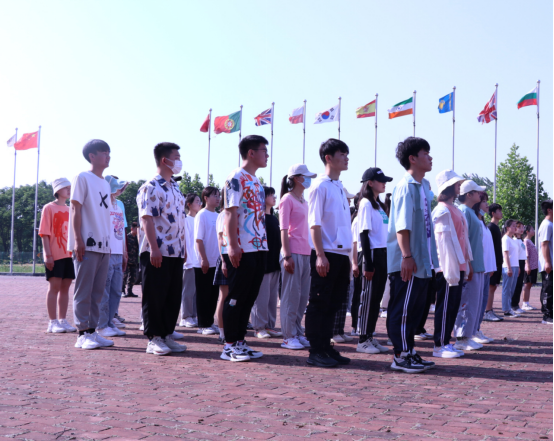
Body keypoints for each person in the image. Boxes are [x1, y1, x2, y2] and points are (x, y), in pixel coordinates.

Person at [387, 137, 438, 373]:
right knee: (403, 309)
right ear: (412, 158)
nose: (430, 157)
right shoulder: (405, 186)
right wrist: (406, 256)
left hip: (422, 261)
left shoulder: (423, 187)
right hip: (409, 261)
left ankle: (409, 351)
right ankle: (400, 355)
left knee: (415, 310)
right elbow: (402, 226)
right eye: (425, 153)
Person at [220, 135, 269, 362]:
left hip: (258, 247)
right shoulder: (236, 177)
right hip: (242, 248)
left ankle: (240, 341)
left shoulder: (256, 181)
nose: (267, 155)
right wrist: (232, 245)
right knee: (236, 297)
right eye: (263, 151)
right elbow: (230, 213)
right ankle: (229, 346)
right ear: (251, 152)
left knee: (249, 298)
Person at [305, 138, 353, 368]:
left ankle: (326, 346)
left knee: (334, 303)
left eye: (346, 154)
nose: (346, 158)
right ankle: (315, 350)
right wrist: (320, 254)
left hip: (342, 254)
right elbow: (314, 224)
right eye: (342, 154)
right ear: (328, 158)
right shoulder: (319, 186)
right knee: (319, 302)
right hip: (327, 253)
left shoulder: (340, 187)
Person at [136, 142, 187, 356]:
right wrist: (154, 249)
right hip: (157, 250)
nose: (180, 161)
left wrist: (184, 248)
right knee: (155, 295)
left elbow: (180, 220)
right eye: (177, 157)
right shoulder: (151, 187)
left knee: (172, 296)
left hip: (176, 251)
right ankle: (154, 338)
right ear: (165, 160)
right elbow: (147, 219)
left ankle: (166, 334)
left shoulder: (175, 187)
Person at [69, 139, 114, 350]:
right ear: (92, 156)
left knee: (98, 292)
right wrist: (77, 239)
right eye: (104, 152)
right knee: (83, 291)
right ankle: (82, 334)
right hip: (87, 244)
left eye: (109, 152)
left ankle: (92, 331)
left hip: (104, 245)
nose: (108, 156)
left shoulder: (105, 183)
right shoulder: (82, 177)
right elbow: (75, 209)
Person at [430, 170, 471, 358]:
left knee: (453, 306)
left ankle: (446, 342)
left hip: (458, 265)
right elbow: (441, 244)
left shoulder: (454, 209)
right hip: (447, 267)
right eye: (457, 183)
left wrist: (466, 264)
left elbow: (463, 239)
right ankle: (439, 345)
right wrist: (447, 269)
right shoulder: (441, 210)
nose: (459, 186)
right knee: (445, 305)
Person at [355, 167, 392, 355]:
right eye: (381, 180)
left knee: (376, 299)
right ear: (370, 183)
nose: (384, 183)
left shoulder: (378, 204)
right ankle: (362, 339)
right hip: (371, 254)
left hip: (382, 253)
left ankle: (369, 335)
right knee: (368, 299)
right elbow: (363, 233)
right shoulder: (365, 203)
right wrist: (368, 264)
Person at [279, 164, 315, 350]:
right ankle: (288, 336)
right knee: (291, 296)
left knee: (302, 297)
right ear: (296, 178)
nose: (308, 180)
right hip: (292, 252)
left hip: (306, 252)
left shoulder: (304, 201)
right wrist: (287, 255)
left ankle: (297, 331)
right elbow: (284, 229)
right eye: (305, 176)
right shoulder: (287, 199)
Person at [39, 177, 76, 334]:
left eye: (70, 187)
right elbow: (44, 233)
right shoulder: (48, 208)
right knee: (54, 287)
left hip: (69, 255)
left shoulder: (71, 208)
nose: (69, 190)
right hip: (55, 254)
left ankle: (62, 320)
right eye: (65, 187)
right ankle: (52, 322)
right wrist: (48, 255)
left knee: (65, 288)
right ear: (57, 190)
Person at [453, 180, 487, 351]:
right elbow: (462, 240)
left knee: (475, 303)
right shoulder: (464, 211)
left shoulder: (471, 212)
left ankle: (469, 334)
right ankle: (461, 337)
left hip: (478, 265)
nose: (480, 194)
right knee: (467, 302)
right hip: (471, 265)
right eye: (477, 191)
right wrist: (468, 264)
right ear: (468, 194)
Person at [97, 175, 129, 338]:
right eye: (117, 187)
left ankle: (110, 322)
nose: (120, 190)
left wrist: (124, 251)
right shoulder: (103, 204)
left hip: (118, 252)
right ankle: (101, 325)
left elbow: (121, 231)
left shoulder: (119, 206)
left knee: (116, 290)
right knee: (105, 290)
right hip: (106, 252)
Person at [251, 186, 283, 339]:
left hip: (275, 263)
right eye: (271, 195)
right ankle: (259, 327)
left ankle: (269, 326)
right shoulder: (258, 217)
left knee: (271, 299)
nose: (274, 197)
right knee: (261, 298)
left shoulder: (274, 218)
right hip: (262, 264)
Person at [194, 186, 221, 335]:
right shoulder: (202, 215)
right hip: (204, 261)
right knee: (203, 293)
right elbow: (198, 240)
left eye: (219, 196)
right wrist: (203, 259)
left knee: (213, 294)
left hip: (216, 261)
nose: (218, 198)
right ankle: (203, 324)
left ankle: (210, 322)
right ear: (206, 198)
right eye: (214, 195)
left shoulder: (218, 216)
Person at [472, 191, 495, 345]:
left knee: (482, 301)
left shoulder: (483, 224)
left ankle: (476, 329)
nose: (487, 204)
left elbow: (488, 248)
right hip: (479, 269)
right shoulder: (475, 222)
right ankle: (471, 331)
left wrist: (491, 266)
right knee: (476, 302)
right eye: (484, 201)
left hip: (486, 269)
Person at [180, 194, 201, 327]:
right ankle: (185, 316)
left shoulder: (199, 219)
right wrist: (186, 258)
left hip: (199, 261)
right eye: (197, 201)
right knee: (188, 291)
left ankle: (193, 315)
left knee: (196, 291)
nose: (200, 203)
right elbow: (185, 240)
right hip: (189, 261)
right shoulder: (186, 220)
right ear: (189, 204)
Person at [484, 203, 504, 322]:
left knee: (494, 287)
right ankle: (487, 312)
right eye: (499, 211)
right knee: (490, 287)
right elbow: (488, 247)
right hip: (493, 262)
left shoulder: (496, 227)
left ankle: (490, 310)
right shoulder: (490, 227)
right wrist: (491, 264)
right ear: (493, 213)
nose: (501, 213)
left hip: (498, 261)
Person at [214, 196, 229, 343]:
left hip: (239, 258)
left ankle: (234, 330)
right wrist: (224, 260)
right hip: (226, 257)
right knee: (224, 297)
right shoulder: (223, 214)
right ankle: (222, 333)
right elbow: (220, 238)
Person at [501, 219, 521, 318]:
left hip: (515, 266)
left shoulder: (512, 239)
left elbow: (515, 255)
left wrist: (518, 267)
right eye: (513, 226)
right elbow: (506, 254)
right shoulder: (505, 238)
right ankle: (506, 310)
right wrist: (509, 268)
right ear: (508, 228)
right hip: (508, 266)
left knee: (512, 289)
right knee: (507, 289)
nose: (515, 228)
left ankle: (509, 308)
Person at [538, 200, 553, 324]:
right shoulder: (546, 225)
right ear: (549, 210)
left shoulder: (550, 224)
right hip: (548, 264)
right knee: (548, 290)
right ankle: (547, 316)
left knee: (550, 289)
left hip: (551, 263)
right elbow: (544, 244)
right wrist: (547, 262)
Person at [511, 222, 527, 314]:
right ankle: (513, 305)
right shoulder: (514, 241)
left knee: (519, 285)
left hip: (521, 262)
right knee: (516, 285)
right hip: (517, 263)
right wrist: (518, 267)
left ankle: (516, 304)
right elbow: (515, 255)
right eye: (519, 227)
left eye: (522, 227)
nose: (521, 229)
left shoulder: (521, 240)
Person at [522, 225, 539, 310]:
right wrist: (528, 266)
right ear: (527, 231)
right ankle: (524, 303)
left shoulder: (530, 241)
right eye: (532, 229)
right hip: (529, 267)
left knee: (530, 284)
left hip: (533, 266)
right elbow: (526, 255)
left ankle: (527, 303)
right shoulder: (526, 241)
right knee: (527, 284)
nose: (534, 231)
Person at [122, 222, 139, 298]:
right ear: (132, 228)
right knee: (124, 276)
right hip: (127, 260)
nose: (138, 230)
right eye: (136, 229)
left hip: (134, 260)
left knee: (133, 277)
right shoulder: (127, 237)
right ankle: (122, 291)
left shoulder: (137, 238)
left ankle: (130, 291)